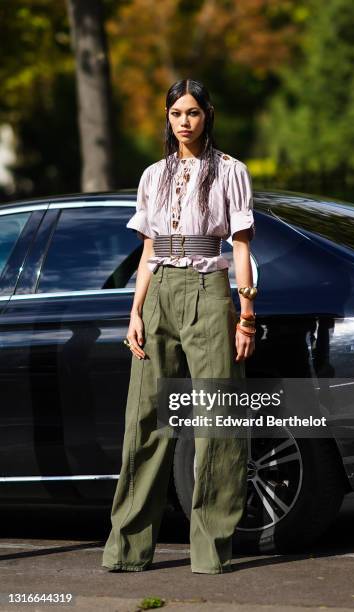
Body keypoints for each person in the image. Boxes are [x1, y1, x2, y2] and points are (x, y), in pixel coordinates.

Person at [102, 78, 257, 574]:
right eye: (175, 114)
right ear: (166, 118)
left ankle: (210, 550)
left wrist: (246, 315)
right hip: (159, 295)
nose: (184, 122)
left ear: (208, 114)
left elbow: (241, 247)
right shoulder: (153, 175)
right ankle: (128, 549)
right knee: (145, 420)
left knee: (216, 421)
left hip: (208, 293)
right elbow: (148, 251)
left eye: (192, 112)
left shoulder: (231, 171)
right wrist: (135, 312)